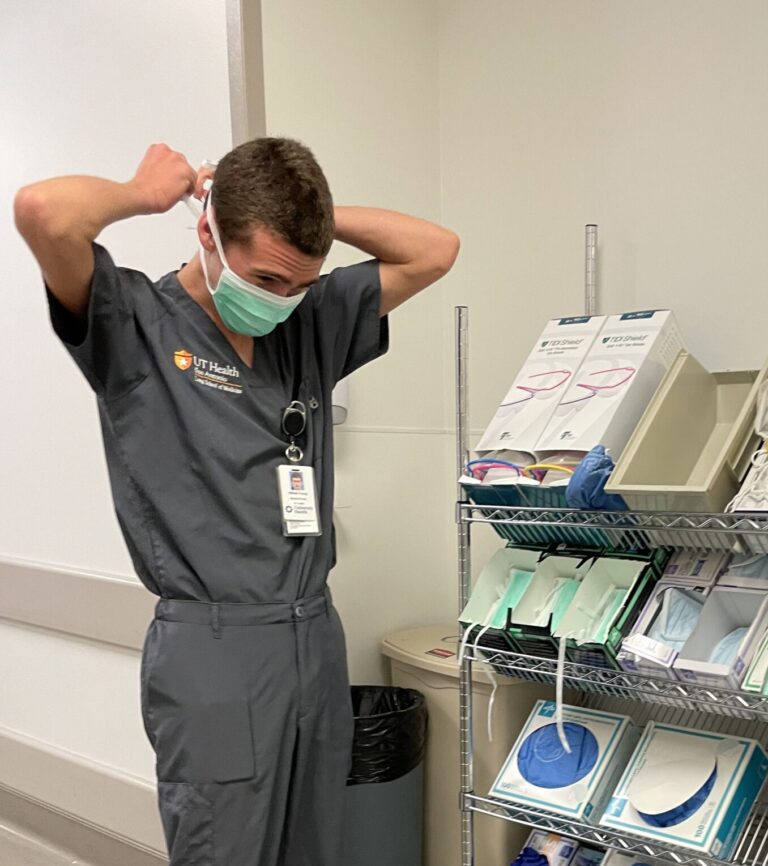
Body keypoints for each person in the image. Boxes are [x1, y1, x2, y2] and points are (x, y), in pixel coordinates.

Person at [14, 138, 459, 866]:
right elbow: (43, 213)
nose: (280, 301)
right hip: (214, 650)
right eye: (266, 278)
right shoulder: (135, 326)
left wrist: (315, 222)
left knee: (315, 849)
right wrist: (143, 191)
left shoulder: (306, 322)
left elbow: (435, 251)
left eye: (299, 284)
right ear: (208, 231)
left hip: (313, 636)